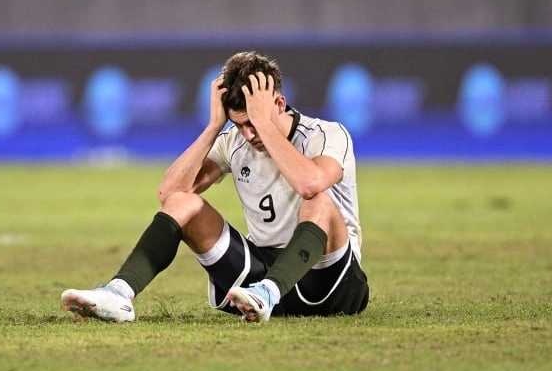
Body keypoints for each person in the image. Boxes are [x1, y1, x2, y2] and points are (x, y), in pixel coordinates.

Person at [61, 51, 368, 323]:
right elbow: (170, 194)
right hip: (260, 275)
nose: (248, 135)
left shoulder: (326, 134)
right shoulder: (234, 142)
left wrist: (264, 124)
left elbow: (309, 183)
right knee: (185, 203)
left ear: (279, 103)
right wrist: (213, 127)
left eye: (253, 123)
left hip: (330, 279)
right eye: (240, 125)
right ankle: (119, 293)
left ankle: (268, 293)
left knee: (319, 201)